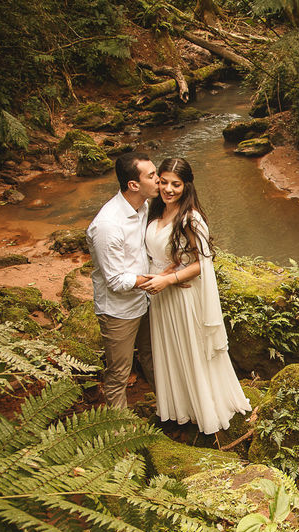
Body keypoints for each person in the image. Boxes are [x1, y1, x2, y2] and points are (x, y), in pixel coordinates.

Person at [139, 157, 251, 433]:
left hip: (181, 295)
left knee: (190, 350)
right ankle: (181, 407)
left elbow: (202, 262)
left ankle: (204, 408)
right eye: (163, 182)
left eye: (175, 184)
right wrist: (163, 274)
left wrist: (170, 278)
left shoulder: (191, 218)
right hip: (160, 295)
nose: (168, 189)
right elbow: (168, 254)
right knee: (170, 350)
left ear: (186, 186)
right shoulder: (155, 211)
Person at [85, 152, 158, 408]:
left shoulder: (143, 206)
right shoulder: (107, 225)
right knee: (118, 373)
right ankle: (119, 432)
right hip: (119, 311)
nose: (159, 179)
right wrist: (155, 280)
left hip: (145, 300)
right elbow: (115, 280)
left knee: (152, 356)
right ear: (133, 185)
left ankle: (167, 408)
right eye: (152, 176)